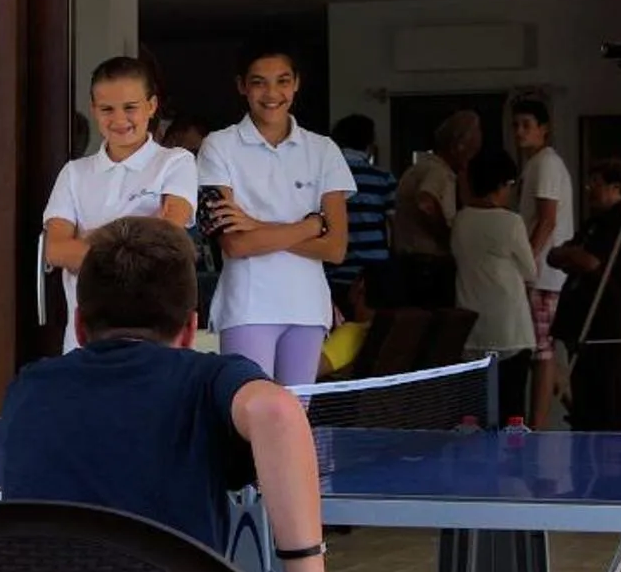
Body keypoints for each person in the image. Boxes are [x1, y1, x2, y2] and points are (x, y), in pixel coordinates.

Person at [1, 216, 346, 572]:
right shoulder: (207, 380)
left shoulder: (29, 387)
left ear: (78, 324)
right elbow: (277, 412)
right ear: (190, 327)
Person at [195, 42, 353, 387]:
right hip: (248, 305)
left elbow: (336, 248)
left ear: (296, 83)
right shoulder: (219, 146)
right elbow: (235, 245)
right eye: (258, 82)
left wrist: (258, 227)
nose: (272, 93)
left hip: (309, 307)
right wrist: (312, 225)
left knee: (296, 417)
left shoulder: (323, 150)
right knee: (248, 418)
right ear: (242, 86)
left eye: (282, 81)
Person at [43, 56, 197, 351]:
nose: (119, 119)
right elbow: (55, 249)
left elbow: (166, 243)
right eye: (107, 109)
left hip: (155, 338)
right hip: (84, 342)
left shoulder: (175, 162)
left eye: (130, 108)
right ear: (94, 110)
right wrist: (135, 242)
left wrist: (88, 239)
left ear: (151, 106)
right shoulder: (74, 173)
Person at [550, 159, 621, 432]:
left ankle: (612, 439)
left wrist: (572, 255)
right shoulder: (594, 223)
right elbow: (558, 255)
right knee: (583, 384)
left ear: (616, 188)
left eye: (596, 184)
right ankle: (585, 425)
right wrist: (570, 254)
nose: (589, 189)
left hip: (603, 318)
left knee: (606, 385)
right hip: (579, 319)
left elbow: (590, 261)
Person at [453, 147, 538, 418]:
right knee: (512, 414)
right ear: (501, 185)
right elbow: (530, 271)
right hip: (510, 330)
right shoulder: (511, 222)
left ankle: (478, 460)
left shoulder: (461, 219)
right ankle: (513, 458)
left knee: (474, 415)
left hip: (472, 330)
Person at [512, 95, 575, 426]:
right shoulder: (535, 164)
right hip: (541, 272)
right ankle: (563, 397)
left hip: (544, 273)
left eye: (527, 125)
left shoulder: (547, 164)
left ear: (544, 129)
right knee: (543, 348)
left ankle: (536, 426)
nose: (520, 132)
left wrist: (527, 260)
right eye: (516, 126)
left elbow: (547, 219)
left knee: (542, 352)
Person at [392, 110, 481, 309]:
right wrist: (448, 239)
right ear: (458, 146)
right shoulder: (438, 172)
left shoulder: (421, 168)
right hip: (427, 266)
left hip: (412, 264)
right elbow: (426, 203)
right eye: (471, 150)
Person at [330, 113, 401, 312]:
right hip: (375, 272)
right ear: (369, 143)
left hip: (337, 268)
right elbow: (394, 227)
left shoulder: (324, 177)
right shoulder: (383, 178)